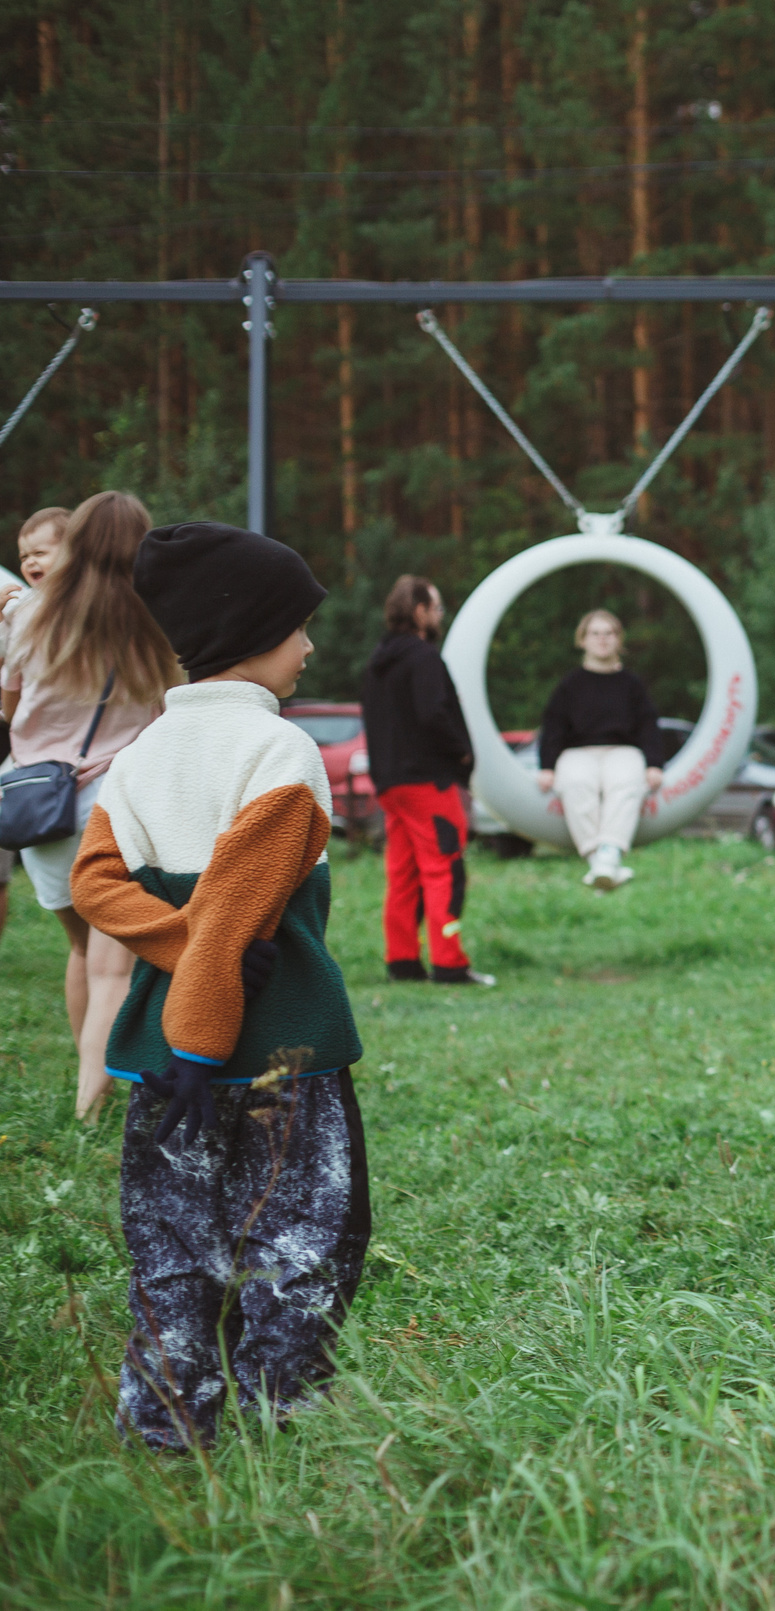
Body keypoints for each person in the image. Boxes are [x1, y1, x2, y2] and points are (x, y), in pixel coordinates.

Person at [71, 522, 369, 1450]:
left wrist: (177, 941)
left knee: (172, 1251)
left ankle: (163, 1430)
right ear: (253, 631)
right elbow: (236, 920)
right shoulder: (278, 757)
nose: (312, 646)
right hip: (274, 1056)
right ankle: (283, 1424)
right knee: (304, 1242)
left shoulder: (140, 758)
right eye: (300, 627)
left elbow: (94, 884)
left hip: (159, 1065)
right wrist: (205, 1019)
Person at [3, 493, 181, 1121]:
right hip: (120, 802)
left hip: (39, 806)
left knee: (81, 951)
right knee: (115, 968)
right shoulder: (157, 619)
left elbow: (8, 708)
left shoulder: (29, 616)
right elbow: (170, 715)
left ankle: (93, 1103)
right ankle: (92, 1100)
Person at [361, 575, 492, 986]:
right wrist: (462, 752)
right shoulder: (423, 658)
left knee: (403, 873)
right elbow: (434, 713)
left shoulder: (375, 664)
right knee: (444, 870)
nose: (439, 617)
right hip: (430, 782)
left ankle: (402, 960)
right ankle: (450, 964)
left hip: (390, 785)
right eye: (436, 608)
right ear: (419, 611)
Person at [536, 608, 665, 890]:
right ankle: (600, 862)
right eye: (595, 633)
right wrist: (547, 767)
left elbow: (648, 724)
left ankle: (608, 852)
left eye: (609, 633)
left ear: (619, 640)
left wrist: (654, 763)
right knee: (575, 783)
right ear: (582, 640)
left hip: (622, 750)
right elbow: (553, 726)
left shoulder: (632, 684)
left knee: (627, 782)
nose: (602, 639)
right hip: (578, 752)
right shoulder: (569, 685)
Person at [0, 508, 72, 947]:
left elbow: (9, 703)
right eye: (24, 555)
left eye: (40, 552)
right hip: (40, 782)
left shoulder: (31, 613)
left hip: (57, 779)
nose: (29, 562)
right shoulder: (21, 611)